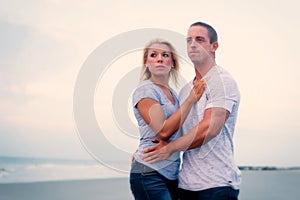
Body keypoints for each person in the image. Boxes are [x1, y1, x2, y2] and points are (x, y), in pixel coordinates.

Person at [143, 22, 241, 200]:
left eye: (200, 39)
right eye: (189, 40)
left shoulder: (222, 81)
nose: (193, 44)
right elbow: (175, 130)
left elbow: (209, 129)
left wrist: (170, 149)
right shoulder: (185, 91)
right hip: (186, 185)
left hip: (217, 184)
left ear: (214, 46)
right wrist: (144, 151)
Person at [129, 39, 206, 200]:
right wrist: (191, 100)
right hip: (149, 172)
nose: (159, 58)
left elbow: (178, 129)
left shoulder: (174, 95)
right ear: (146, 62)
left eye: (165, 55)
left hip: (172, 174)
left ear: (172, 63)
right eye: (153, 55)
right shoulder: (145, 90)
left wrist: (171, 145)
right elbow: (163, 131)